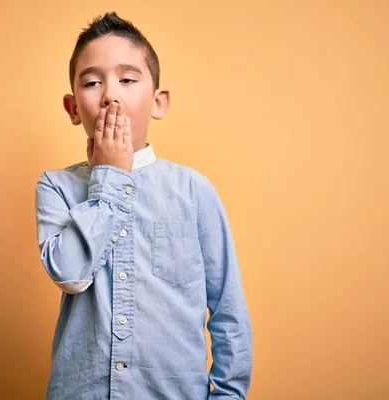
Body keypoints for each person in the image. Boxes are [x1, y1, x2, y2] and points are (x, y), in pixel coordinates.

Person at [35, 11, 252, 400]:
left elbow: (227, 310)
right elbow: (71, 275)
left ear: (158, 102)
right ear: (72, 108)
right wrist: (110, 178)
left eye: (128, 79)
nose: (111, 95)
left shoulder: (194, 191)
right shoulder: (57, 187)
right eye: (92, 81)